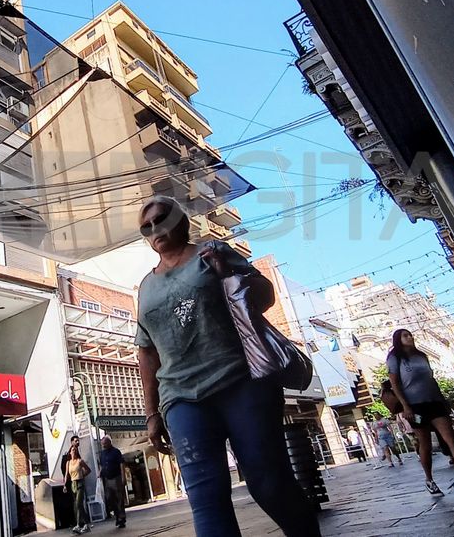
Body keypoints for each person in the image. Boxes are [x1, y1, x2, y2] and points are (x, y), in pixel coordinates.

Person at [134, 196, 321, 537]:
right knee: (206, 500)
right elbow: (146, 352)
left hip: (241, 382)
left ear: (179, 219)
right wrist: (152, 413)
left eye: (160, 219)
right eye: (146, 227)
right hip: (180, 398)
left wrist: (227, 271)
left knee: (269, 483)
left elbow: (265, 297)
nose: (154, 230)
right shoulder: (146, 286)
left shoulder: (212, 252)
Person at [387, 329, 454, 496]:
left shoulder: (421, 356)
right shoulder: (395, 358)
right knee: (425, 444)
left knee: (451, 438)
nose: (410, 337)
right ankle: (429, 480)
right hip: (415, 406)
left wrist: (444, 402)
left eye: (410, 334)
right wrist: (405, 407)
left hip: (434, 401)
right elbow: (394, 384)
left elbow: (431, 379)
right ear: (398, 340)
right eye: (405, 335)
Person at [99, 435, 127, 529]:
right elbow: (102, 465)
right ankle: (117, 515)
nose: (103, 445)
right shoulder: (102, 454)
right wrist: (100, 473)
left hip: (116, 477)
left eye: (105, 443)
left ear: (109, 443)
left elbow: (121, 464)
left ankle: (121, 518)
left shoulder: (116, 452)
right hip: (107, 479)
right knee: (109, 498)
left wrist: (123, 477)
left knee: (119, 498)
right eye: (102, 444)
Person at [66, 445, 93, 534]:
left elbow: (88, 470)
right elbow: (67, 475)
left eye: (75, 450)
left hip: (80, 482)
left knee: (78, 503)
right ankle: (83, 525)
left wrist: (82, 475)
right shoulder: (68, 463)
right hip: (73, 483)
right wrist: (64, 485)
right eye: (72, 450)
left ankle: (81, 524)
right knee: (77, 505)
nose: (73, 451)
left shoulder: (80, 461)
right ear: (70, 452)